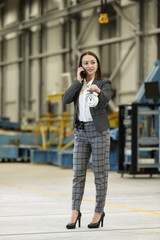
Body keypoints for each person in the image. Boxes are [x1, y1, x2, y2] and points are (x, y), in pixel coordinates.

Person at [62, 51, 111, 229]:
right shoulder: (78, 85)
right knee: (78, 175)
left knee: (100, 175)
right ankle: (75, 211)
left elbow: (107, 98)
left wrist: (98, 91)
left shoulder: (103, 83)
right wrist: (78, 81)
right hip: (80, 132)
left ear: (97, 64)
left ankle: (99, 211)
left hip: (99, 132)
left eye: (92, 62)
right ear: (81, 66)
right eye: (86, 63)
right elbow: (65, 99)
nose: (90, 65)